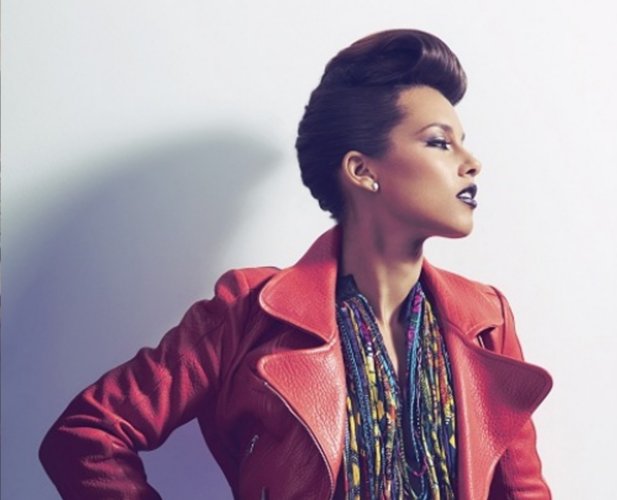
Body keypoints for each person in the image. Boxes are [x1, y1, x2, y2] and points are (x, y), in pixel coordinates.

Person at [39, 29, 553, 499]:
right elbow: (87, 434)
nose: (472, 162)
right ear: (362, 170)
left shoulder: (486, 320)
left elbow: (523, 491)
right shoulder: (249, 312)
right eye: (439, 142)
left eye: (463, 143)